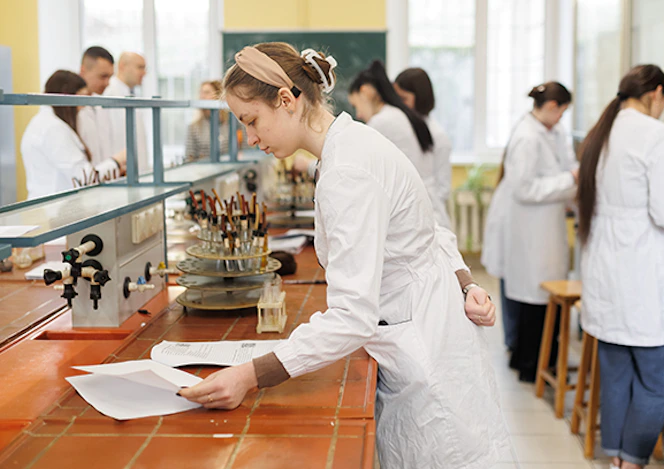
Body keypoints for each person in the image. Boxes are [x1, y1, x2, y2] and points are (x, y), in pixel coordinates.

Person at [178, 43, 509, 468]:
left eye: (252, 121)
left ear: (286, 100)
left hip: (428, 356)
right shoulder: (350, 145)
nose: (252, 138)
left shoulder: (349, 169)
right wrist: (466, 281)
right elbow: (431, 230)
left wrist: (250, 375)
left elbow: (354, 316)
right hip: (423, 331)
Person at [577, 65, 664, 469]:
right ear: (657, 93)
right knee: (655, 387)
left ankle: (615, 459)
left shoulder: (602, 132)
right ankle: (633, 462)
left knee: (615, 378)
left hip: (605, 273)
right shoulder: (655, 134)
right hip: (642, 277)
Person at [481, 82, 578, 380]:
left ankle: (539, 360)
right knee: (532, 297)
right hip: (530, 228)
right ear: (551, 107)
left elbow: (565, 163)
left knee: (541, 295)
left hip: (544, 226)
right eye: (561, 111)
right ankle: (530, 365)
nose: (562, 118)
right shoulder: (527, 137)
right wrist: (568, 180)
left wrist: (569, 180)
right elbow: (524, 188)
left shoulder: (553, 131)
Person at [348, 61, 450, 228]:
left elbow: (357, 165)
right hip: (422, 210)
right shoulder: (396, 116)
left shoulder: (383, 121)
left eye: (355, 106)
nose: (358, 114)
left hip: (422, 213)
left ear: (365, 91)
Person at [21, 70, 125, 199]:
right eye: (78, 102)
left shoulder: (47, 123)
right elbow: (85, 178)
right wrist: (117, 161)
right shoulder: (53, 128)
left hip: (54, 208)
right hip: (52, 210)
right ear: (66, 99)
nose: (81, 108)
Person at [394, 67, 452, 229]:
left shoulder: (438, 136)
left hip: (431, 216)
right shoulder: (399, 129)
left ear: (421, 98)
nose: (399, 105)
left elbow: (443, 188)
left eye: (404, 99)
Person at [102, 51, 149, 172]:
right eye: (140, 67)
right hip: (120, 171)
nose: (144, 73)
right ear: (122, 66)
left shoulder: (131, 94)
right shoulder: (110, 94)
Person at [76, 46, 115, 165]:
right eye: (103, 76)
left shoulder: (100, 107)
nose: (107, 83)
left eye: (110, 77)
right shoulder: (71, 110)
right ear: (83, 72)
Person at [185, 80, 231, 162]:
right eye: (201, 93)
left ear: (218, 95)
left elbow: (246, 151)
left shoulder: (233, 124)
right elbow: (189, 157)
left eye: (206, 92)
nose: (202, 96)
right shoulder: (194, 127)